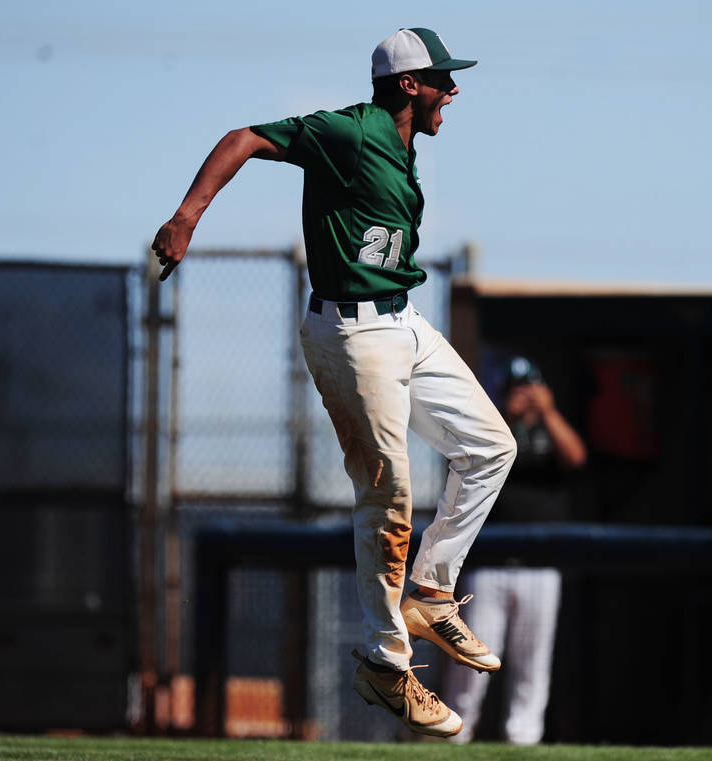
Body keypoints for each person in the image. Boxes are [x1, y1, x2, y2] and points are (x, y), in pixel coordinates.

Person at [150, 27, 517, 738]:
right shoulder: (349, 130)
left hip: (402, 320)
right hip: (351, 331)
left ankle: (433, 591)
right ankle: (385, 662)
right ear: (409, 85)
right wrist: (186, 216)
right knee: (388, 491)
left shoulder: (406, 149)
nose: (454, 89)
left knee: (490, 446)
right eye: (443, 78)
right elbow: (242, 137)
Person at [444, 356, 587, 745]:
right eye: (515, 389)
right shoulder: (492, 426)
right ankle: (456, 733)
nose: (524, 396)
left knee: (532, 664)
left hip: (540, 567)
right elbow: (471, 461)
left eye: (529, 387)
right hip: (490, 563)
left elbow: (576, 458)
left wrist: (549, 412)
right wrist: (508, 415)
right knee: (471, 657)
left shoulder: (550, 428)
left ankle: (522, 740)